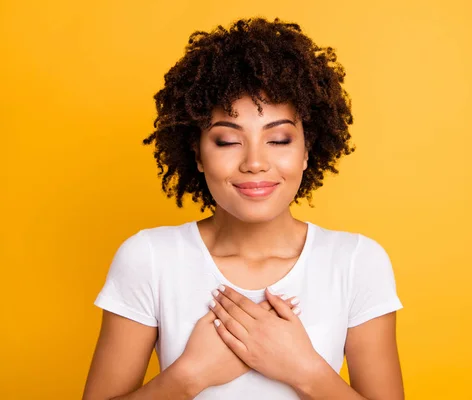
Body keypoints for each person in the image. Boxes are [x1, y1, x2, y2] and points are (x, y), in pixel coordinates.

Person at [83, 17, 404, 400]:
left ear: (306, 151)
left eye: (280, 139)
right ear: (198, 154)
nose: (255, 162)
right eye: (227, 141)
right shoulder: (149, 258)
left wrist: (305, 370)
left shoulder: (357, 262)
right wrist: (189, 376)